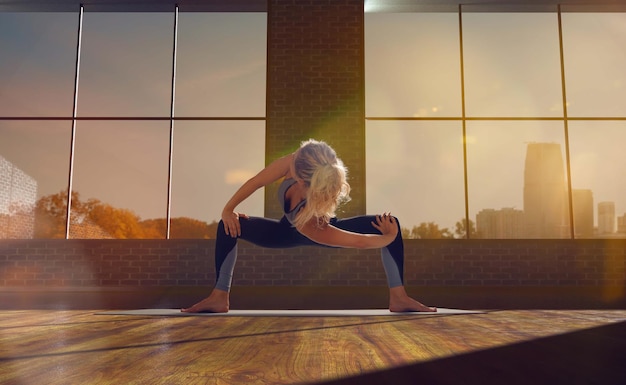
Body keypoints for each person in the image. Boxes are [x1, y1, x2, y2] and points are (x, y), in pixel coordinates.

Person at [182, 139, 436, 313]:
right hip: (285, 231)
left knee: (390, 224)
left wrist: (388, 235)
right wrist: (228, 209)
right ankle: (219, 297)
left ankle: (399, 298)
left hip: (322, 227)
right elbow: (256, 181)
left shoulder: (315, 202)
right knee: (228, 225)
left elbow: (357, 242)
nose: (290, 164)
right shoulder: (293, 164)